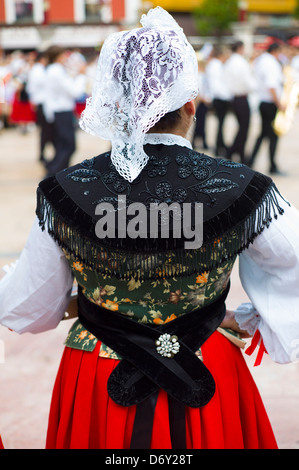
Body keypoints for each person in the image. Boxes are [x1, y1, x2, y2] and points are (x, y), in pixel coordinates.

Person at [0, 7, 299, 450]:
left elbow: (28, 306)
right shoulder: (243, 187)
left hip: (99, 367)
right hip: (207, 357)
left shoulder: (65, 189)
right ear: (191, 107)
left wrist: (81, 302)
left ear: (113, 104)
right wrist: (248, 316)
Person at [42, 45, 86, 177]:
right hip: (62, 111)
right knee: (69, 146)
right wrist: (81, 76)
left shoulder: (52, 70)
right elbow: (75, 92)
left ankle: (58, 173)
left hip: (58, 111)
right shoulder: (56, 71)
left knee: (62, 146)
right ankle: (53, 174)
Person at [249, 43, 285, 174]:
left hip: (263, 102)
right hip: (270, 103)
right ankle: (272, 165)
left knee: (263, 134)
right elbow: (272, 86)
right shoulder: (271, 63)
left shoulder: (262, 61)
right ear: (276, 50)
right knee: (273, 135)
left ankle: (250, 160)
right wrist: (279, 103)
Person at [224, 41, 256, 163]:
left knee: (241, 128)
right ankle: (233, 152)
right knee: (244, 128)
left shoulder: (230, 62)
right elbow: (247, 82)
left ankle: (238, 153)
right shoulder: (240, 62)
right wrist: (254, 87)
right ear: (240, 48)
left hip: (234, 97)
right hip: (242, 97)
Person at [26, 51, 55, 165]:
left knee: (45, 131)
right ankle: (42, 155)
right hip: (42, 103)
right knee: (46, 131)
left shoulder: (37, 70)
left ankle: (43, 154)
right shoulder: (38, 71)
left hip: (41, 103)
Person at [205, 46, 231, 157]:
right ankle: (219, 146)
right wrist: (227, 95)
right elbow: (217, 85)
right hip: (220, 98)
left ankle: (220, 144)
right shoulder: (217, 65)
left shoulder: (213, 65)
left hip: (218, 97)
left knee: (220, 124)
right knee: (220, 124)